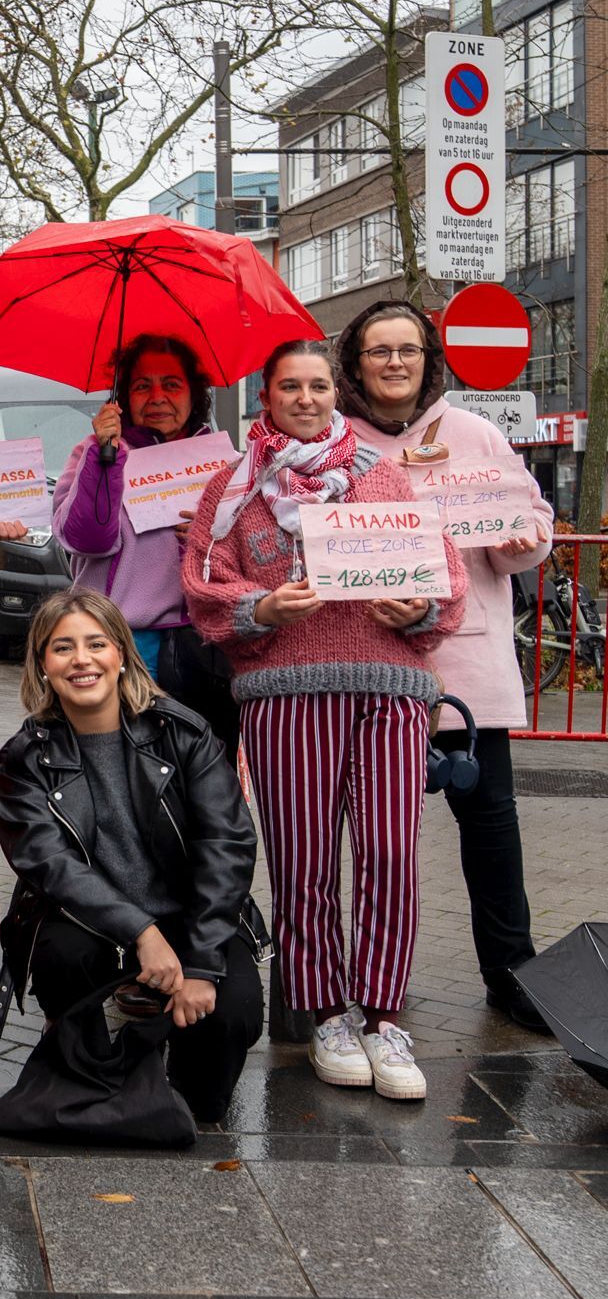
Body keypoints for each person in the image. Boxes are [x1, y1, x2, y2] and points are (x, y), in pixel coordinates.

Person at [182, 339, 465, 1102]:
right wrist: (262, 607)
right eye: (289, 387)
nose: (306, 399)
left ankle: (381, 1015)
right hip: (286, 693)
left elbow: (447, 574)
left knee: (390, 855)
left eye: (317, 386)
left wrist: (420, 606)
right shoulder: (232, 490)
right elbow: (203, 586)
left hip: (390, 688)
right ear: (266, 397)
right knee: (304, 864)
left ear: (335, 393)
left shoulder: (384, 476)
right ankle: (325, 1016)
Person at [336, 299, 554, 1034]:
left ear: (430, 358)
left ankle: (510, 971)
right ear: (355, 362)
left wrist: (524, 535)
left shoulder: (476, 434)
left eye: (408, 350)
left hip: (465, 671)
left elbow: (529, 530)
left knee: (490, 825)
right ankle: (360, 975)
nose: (394, 363)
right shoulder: (334, 443)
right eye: (378, 351)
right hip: (368, 667)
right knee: (367, 833)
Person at [0, 589, 264, 1123]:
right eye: (62, 648)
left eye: (96, 643)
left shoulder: (183, 733)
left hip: (191, 916)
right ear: (43, 665)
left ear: (121, 653)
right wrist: (143, 934)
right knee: (63, 958)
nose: (82, 660)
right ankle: (89, 1057)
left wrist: (202, 965)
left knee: (226, 1037)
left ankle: (178, 1061)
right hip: (90, 924)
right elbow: (52, 867)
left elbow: (227, 846)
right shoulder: (25, 758)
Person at [52, 335, 240, 758]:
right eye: (142, 386)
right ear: (123, 397)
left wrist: (211, 542)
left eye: (172, 384)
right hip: (128, 643)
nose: (157, 397)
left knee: (206, 776)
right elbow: (87, 539)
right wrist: (105, 460)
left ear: (195, 394)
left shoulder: (223, 461)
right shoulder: (94, 452)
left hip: (207, 647)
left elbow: (248, 558)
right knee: (131, 770)